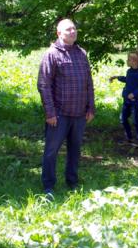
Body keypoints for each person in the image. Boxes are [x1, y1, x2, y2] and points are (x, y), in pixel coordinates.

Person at [37, 19, 95, 196]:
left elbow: (88, 83)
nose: (72, 32)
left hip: (79, 114)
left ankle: (72, 181)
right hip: (59, 115)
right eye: (68, 29)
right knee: (51, 151)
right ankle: (48, 186)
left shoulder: (81, 53)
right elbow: (44, 84)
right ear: (59, 33)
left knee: (75, 150)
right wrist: (50, 112)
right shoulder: (52, 54)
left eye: (74, 29)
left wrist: (91, 107)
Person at [109, 50, 138, 146]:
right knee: (123, 118)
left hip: (135, 101)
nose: (127, 60)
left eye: (129, 59)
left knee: (135, 120)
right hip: (127, 100)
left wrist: (134, 94)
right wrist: (117, 77)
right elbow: (128, 80)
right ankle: (128, 137)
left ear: (135, 61)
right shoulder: (130, 71)